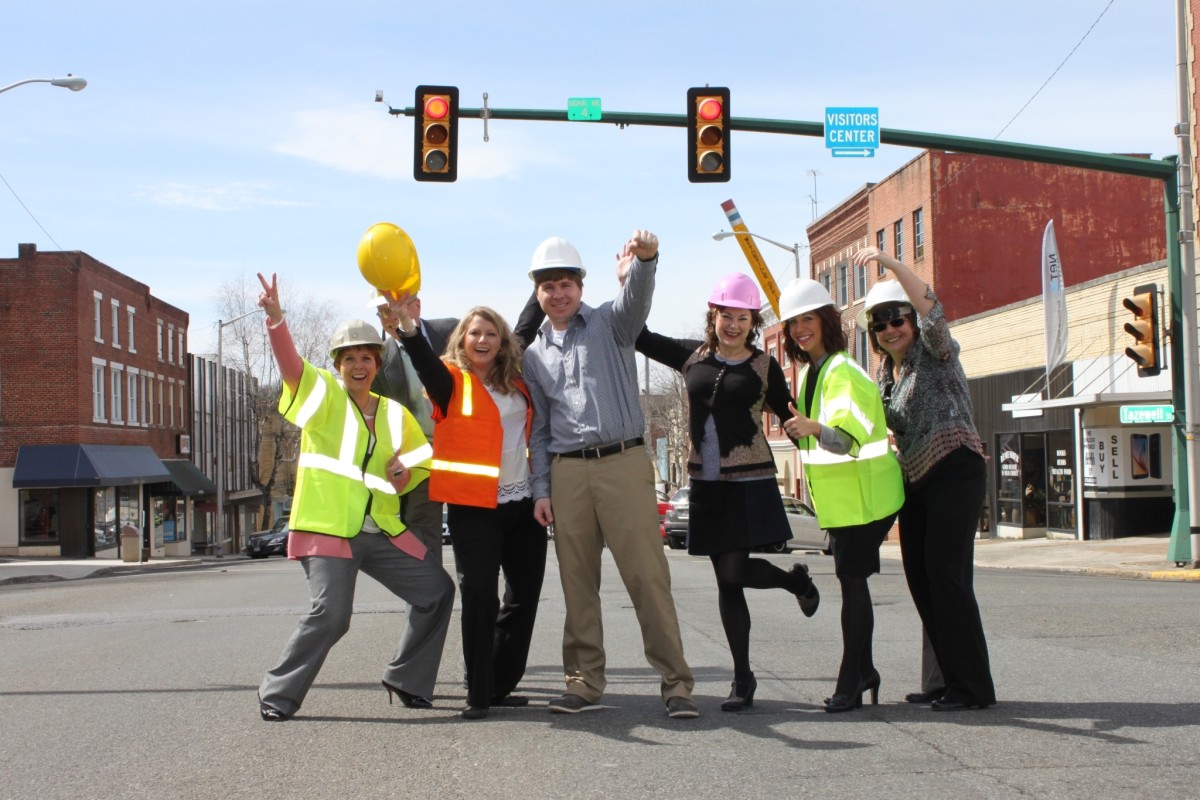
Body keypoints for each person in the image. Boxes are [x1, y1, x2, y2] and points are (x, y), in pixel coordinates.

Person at [254, 273, 455, 722]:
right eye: (350, 358)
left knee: (437, 591)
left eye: (367, 357)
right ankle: (278, 693)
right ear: (338, 364)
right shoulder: (323, 397)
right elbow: (292, 370)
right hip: (329, 530)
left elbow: (424, 457)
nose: (359, 365)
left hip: (381, 532)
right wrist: (277, 322)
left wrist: (408, 471)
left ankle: (407, 678)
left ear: (378, 363)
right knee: (332, 615)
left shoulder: (394, 413)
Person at [522, 231, 699, 719]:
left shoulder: (609, 323)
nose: (558, 294)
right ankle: (583, 682)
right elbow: (537, 429)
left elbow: (637, 299)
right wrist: (541, 489)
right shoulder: (532, 355)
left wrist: (646, 260)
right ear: (536, 292)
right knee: (578, 582)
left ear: (580, 284)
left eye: (566, 283)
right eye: (547, 286)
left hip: (623, 463)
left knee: (647, 576)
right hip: (566, 473)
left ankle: (677, 684)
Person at [634, 272, 821, 712]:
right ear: (712, 316)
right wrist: (634, 278)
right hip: (706, 485)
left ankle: (792, 584)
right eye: (725, 316)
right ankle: (744, 678)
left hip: (750, 481)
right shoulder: (691, 357)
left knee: (733, 574)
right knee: (727, 580)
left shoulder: (763, 365)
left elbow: (791, 415)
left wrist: (820, 441)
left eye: (743, 318)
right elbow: (638, 336)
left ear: (753, 322)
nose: (733, 325)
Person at [384, 295, 546, 720]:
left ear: (502, 341)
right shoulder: (450, 381)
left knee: (523, 597)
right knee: (479, 598)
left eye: (491, 333)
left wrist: (539, 283)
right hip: (474, 508)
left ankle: (500, 683)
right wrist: (407, 325)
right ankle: (479, 692)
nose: (483, 339)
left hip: (523, 503)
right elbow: (422, 359)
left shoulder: (516, 378)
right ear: (462, 338)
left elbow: (528, 321)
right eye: (475, 332)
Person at [851, 247, 996, 712]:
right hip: (915, 479)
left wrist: (891, 265)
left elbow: (933, 306)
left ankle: (971, 688)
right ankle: (943, 680)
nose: (891, 329)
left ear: (911, 321)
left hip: (954, 466)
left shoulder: (935, 352)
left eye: (898, 319)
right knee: (920, 577)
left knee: (946, 575)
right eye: (881, 323)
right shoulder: (884, 378)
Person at [777, 277, 904, 713]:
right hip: (846, 504)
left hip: (866, 501)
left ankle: (853, 678)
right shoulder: (816, 372)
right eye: (793, 323)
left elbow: (846, 440)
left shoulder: (842, 371)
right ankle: (862, 672)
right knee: (852, 589)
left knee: (853, 589)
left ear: (827, 321)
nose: (798, 330)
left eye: (807, 319)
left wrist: (814, 428)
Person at [371, 293, 458, 564]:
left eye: (395, 308)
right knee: (422, 547)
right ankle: (427, 605)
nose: (389, 317)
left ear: (416, 306)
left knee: (473, 539)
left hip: (463, 453)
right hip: (418, 460)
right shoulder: (379, 358)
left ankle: (476, 606)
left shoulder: (453, 332)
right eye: (382, 312)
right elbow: (374, 415)